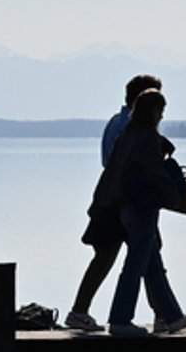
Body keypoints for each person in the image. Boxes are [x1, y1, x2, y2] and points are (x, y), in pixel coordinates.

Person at [97, 88, 186, 338]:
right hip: (141, 208)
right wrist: (177, 195)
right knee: (134, 266)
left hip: (124, 207)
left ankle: (172, 317)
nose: (162, 116)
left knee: (152, 264)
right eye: (161, 111)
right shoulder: (146, 138)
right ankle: (120, 319)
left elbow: (113, 172)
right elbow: (155, 175)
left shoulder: (126, 135)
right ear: (153, 111)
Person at [67, 74, 163, 332]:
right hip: (124, 201)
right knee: (133, 255)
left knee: (138, 255)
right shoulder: (132, 128)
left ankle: (162, 313)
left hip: (113, 199)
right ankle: (84, 311)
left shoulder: (115, 122)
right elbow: (131, 166)